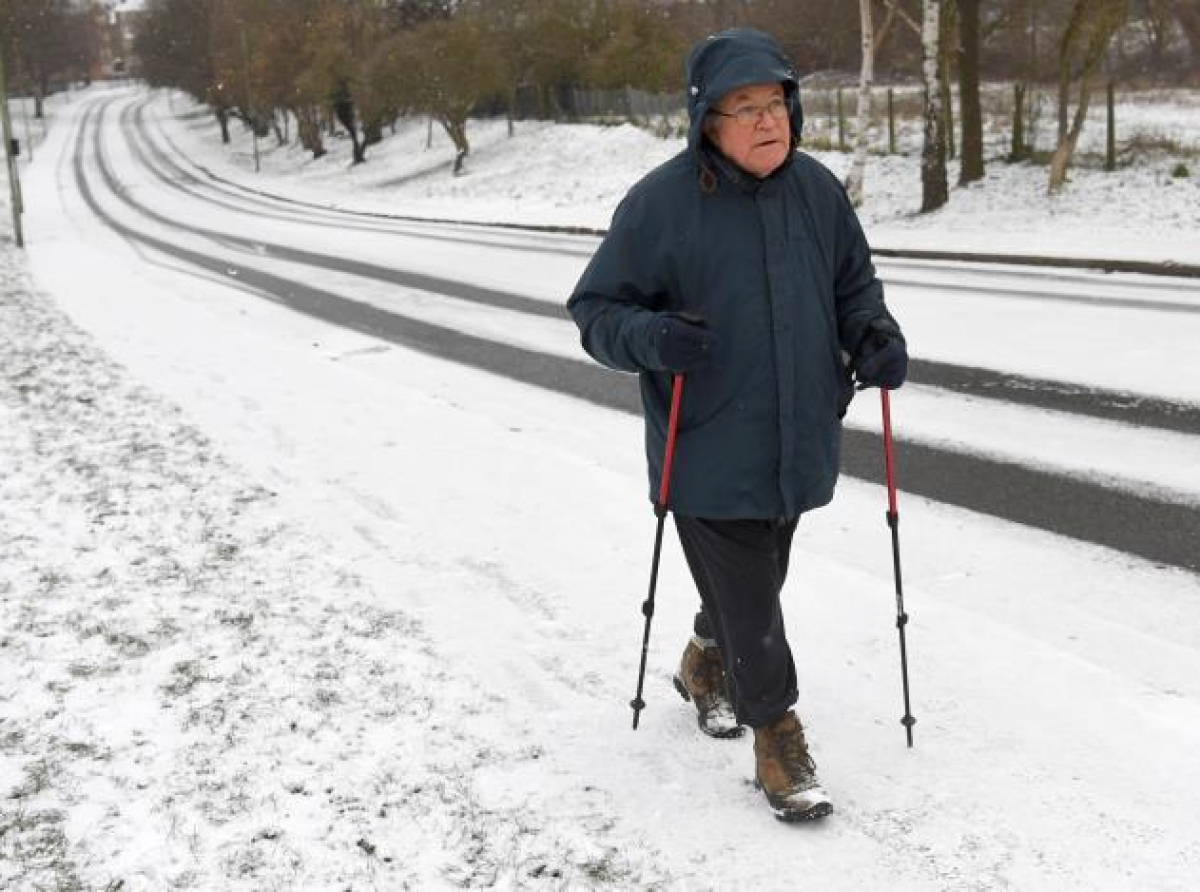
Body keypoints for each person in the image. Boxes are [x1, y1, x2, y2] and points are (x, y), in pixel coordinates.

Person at [567, 27, 907, 823]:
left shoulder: (818, 191)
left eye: (776, 103)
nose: (768, 121)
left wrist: (873, 335)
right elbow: (595, 312)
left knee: (756, 582)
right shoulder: (660, 203)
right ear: (706, 124)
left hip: (800, 436)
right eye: (744, 107)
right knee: (754, 600)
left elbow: (855, 287)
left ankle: (704, 661)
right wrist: (651, 337)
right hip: (707, 444)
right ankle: (776, 735)